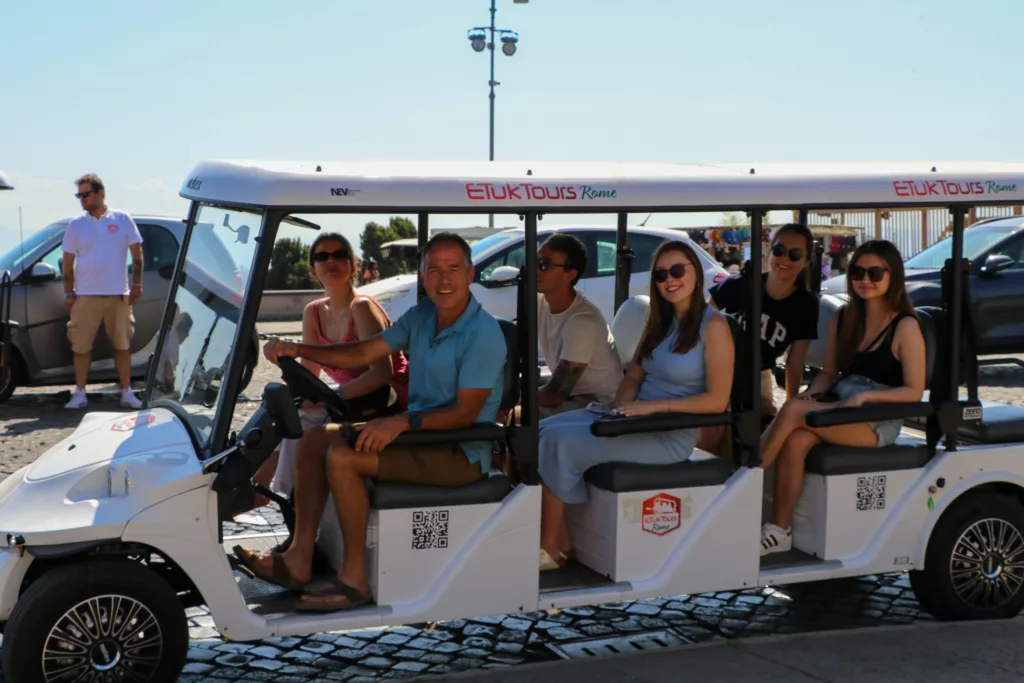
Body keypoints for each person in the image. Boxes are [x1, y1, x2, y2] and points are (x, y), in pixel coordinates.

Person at [245, 232, 506, 610]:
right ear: (421, 274)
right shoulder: (423, 315)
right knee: (317, 437)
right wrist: (299, 349)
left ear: (470, 275)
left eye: (453, 269)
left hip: (459, 450)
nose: (443, 279)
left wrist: (400, 423)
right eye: (434, 269)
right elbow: (365, 351)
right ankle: (300, 558)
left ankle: (354, 580)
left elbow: (464, 414)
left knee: (343, 457)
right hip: (421, 436)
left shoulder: (482, 333)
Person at [535, 240, 734, 570]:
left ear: (696, 274)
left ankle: (549, 547)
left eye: (677, 271)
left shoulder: (713, 326)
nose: (669, 279)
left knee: (560, 441)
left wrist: (654, 408)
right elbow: (634, 376)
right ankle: (563, 542)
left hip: (668, 433)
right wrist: (619, 409)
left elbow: (717, 401)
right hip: (636, 418)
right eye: (660, 274)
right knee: (542, 430)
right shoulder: (659, 320)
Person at [757, 240, 926, 556]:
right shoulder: (845, 316)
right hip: (842, 404)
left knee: (792, 411)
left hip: (876, 418)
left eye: (876, 273)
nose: (865, 279)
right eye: (859, 272)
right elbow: (828, 374)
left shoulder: (905, 326)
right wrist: (813, 396)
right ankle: (779, 530)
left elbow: (914, 391)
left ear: (894, 277)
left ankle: (746, 477)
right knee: (796, 440)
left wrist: (864, 399)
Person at [249, 233, 410, 507]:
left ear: (354, 265)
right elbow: (308, 373)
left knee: (301, 422)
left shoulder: (362, 307)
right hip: (351, 402)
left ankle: (282, 496)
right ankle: (256, 492)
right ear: (313, 270)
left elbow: (382, 374)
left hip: (389, 400)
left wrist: (328, 397)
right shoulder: (313, 312)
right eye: (322, 257)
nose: (331, 261)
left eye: (339, 255)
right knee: (281, 413)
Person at [697, 224, 820, 459]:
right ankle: (713, 481)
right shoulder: (739, 285)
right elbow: (700, 321)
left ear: (805, 261)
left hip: (758, 375)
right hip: (717, 368)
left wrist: (790, 406)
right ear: (768, 252)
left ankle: (735, 481)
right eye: (780, 250)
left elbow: (795, 360)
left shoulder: (806, 304)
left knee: (749, 426)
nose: (785, 258)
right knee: (717, 424)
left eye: (795, 254)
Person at [61, 174, 144, 410]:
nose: (82, 200)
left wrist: (137, 286)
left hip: (118, 294)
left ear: (100, 193)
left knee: (122, 345)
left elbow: (137, 255)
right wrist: (69, 292)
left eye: (85, 194)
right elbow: (67, 263)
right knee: (81, 347)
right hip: (85, 296)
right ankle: (79, 393)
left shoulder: (123, 219)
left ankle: (127, 392)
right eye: (79, 196)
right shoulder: (76, 225)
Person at [536, 233, 622, 418]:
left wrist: (510, 400)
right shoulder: (541, 302)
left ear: (570, 274)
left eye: (544, 264)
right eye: (534, 260)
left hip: (598, 408)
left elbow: (554, 395)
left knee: (515, 418)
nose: (535, 268)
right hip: (574, 400)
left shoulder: (582, 321)